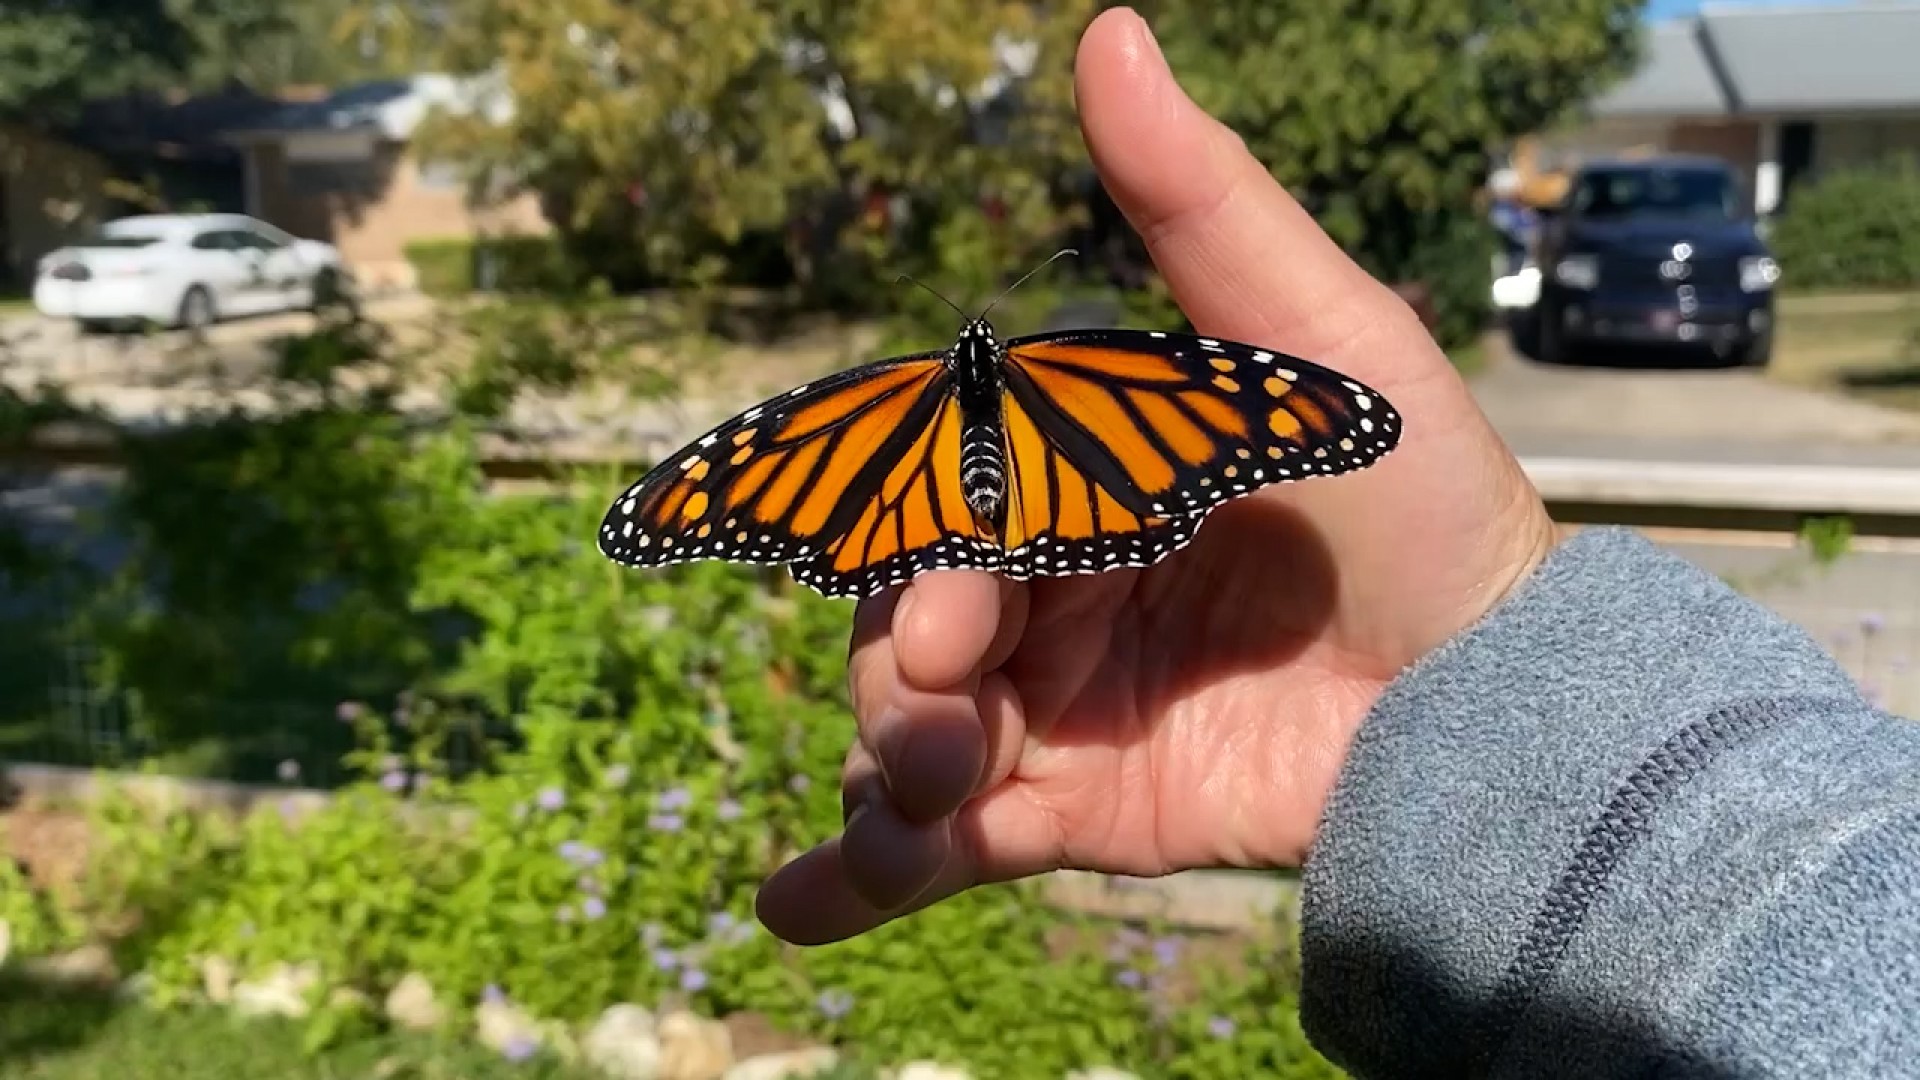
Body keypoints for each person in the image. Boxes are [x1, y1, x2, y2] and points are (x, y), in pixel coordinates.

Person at [755, 9, 1920, 1077]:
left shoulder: (942, 395)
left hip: (1016, 512)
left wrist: (1488, 638)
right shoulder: (1084, 379)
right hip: (1073, 515)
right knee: (940, 640)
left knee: (943, 623)